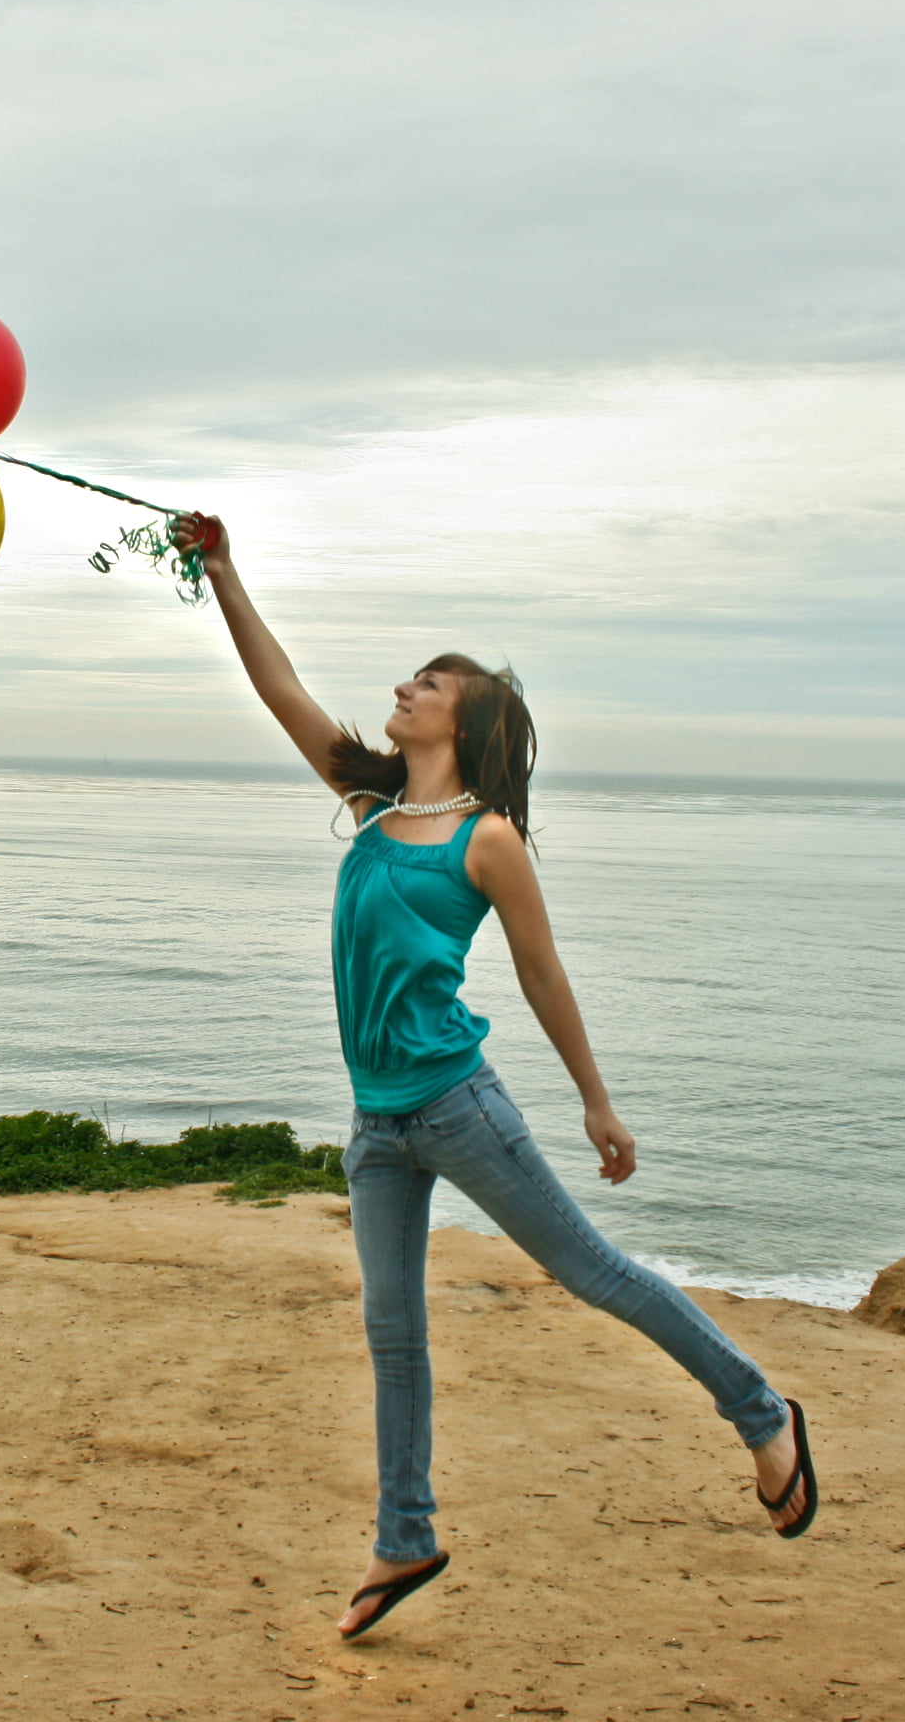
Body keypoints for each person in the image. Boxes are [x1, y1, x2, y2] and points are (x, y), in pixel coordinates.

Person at [177, 514, 820, 1640]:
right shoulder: (372, 804)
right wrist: (223, 573)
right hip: (378, 1123)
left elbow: (538, 969)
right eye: (411, 678)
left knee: (594, 1272)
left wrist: (596, 1098)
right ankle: (403, 1531)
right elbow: (277, 687)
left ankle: (762, 1411)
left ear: (465, 722)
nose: (404, 688)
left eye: (427, 683)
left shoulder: (486, 839)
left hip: (459, 1107)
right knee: (390, 1330)